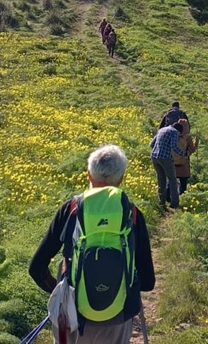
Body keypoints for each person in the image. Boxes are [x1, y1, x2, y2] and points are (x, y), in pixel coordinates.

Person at [28, 144, 155, 344]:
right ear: (121, 179)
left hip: (71, 316)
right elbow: (148, 282)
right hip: (117, 317)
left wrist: (60, 291)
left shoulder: (70, 209)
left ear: (88, 175)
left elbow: (36, 267)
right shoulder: (132, 214)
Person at [150, 122, 186, 209]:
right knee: (172, 179)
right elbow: (174, 146)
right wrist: (183, 153)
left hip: (154, 156)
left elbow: (151, 144)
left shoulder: (161, 130)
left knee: (161, 179)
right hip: (165, 158)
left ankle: (161, 202)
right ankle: (174, 203)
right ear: (179, 131)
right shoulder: (174, 132)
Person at [169, 118, 198, 199]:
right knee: (183, 181)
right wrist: (196, 143)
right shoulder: (187, 137)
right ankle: (182, 197)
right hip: (183, 163)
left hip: (173, 162)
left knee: (171, 180)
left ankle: (169, 196)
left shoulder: (173, 134)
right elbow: (192, 149)